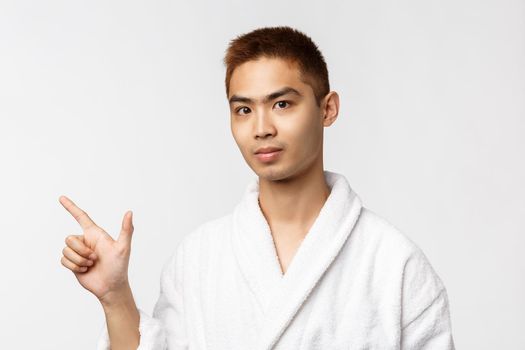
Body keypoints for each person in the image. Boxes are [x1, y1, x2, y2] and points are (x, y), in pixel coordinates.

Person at [60, 26, 455, 349]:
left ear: (328, 109)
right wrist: (115, 297)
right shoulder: (199, 258)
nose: (262, 128)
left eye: (282, 104)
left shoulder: (395, 265)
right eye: (244, 110)